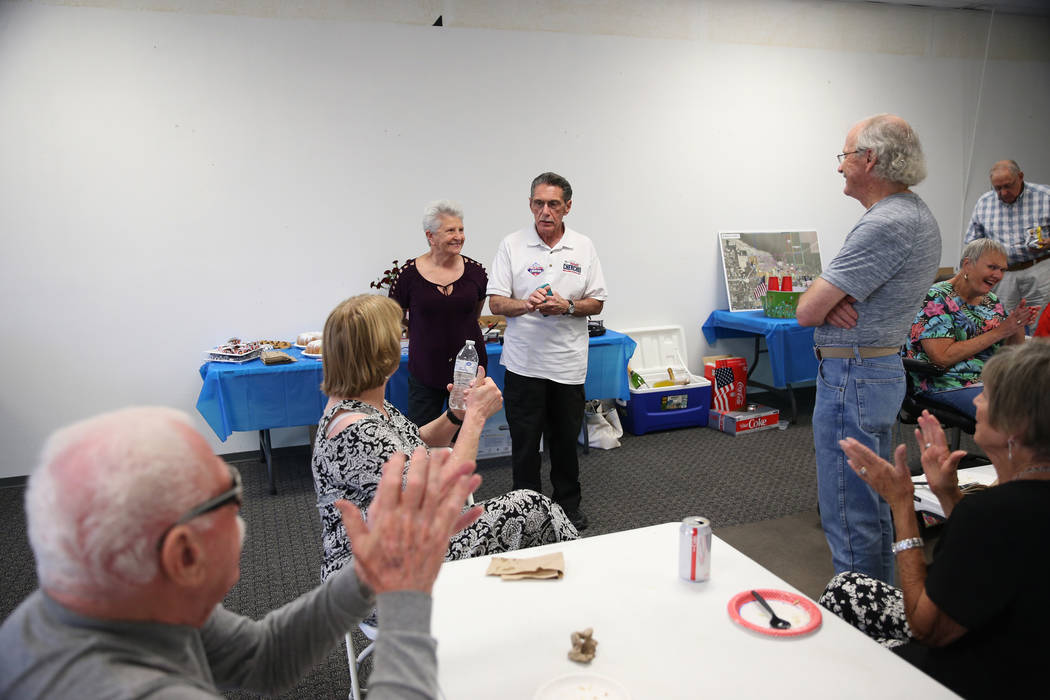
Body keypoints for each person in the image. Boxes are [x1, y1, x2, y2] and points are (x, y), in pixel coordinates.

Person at [0, 406, 479, 699]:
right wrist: (408, 598)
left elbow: (263, 658)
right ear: (183, 555)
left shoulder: (117, 601)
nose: (243, 514)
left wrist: (371, 574)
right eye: (232, 494)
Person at [819, 341, 1050, 699]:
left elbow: (927, 627)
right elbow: (996, 549)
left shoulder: (992, 511)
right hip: (1017, 640)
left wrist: (901, 506)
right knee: (846, 588)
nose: (975, 401)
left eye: (985, 396)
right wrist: (946, 493)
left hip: (981, 672)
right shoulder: (1010, 503)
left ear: (1014, 428)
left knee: (839, 654)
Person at [312, 294, 577, 588]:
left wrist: (455, 415)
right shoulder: (356, 430)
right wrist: (475, 417)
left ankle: (553, 596)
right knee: (533, 510)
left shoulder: (360, 403)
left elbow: (414, 442)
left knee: (534, 511)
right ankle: (577, 593)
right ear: (382, 356)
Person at [797, 114, 941, 584]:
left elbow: (806, 309)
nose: (840, 167)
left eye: (845, 156)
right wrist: (828, 301)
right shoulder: (910, 214)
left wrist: (826, 300)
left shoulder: (887, 222)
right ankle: (883, 607)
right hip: (871, 372)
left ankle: (864, 627)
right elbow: (822, 305)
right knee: (872, 502)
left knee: (848, 507)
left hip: (853, 379)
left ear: (869, 158)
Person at [487, 172, 608, 532]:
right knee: (524, 443)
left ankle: (568, 507)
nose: (545, 211)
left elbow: (597, 302)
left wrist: (567, 306)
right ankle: (526, 512)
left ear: (567, 207)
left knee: (564, 442)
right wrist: (526, 305)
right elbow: (495, 302)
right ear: (530, 205)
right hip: (524, 365)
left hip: (568, 365)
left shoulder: (584, 246)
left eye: (553, 204)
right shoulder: (512, 245)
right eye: (538, 203)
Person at [906, 238, 1037, 418]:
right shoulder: (936, 297)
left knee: (1041, 404)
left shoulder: (992, 300)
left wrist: (1017, 325)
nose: (998, 275)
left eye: (1002, 270)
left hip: (991, 380)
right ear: (967, 264)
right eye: (992, 267)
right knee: (1016, 417)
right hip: (947, 383)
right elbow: (941, 358)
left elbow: (1010, 355)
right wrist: (1000, 331)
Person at [389, 200, 489, 426]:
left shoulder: (476, 272)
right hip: (426, 369)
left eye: (461, 229)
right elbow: (393, 315)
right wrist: (419, 328)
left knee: (465, 434)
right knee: (422, 437)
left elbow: (475, 313)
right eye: (450, 230)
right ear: (430, 236)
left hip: (468, 371)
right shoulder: (408, 275)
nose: (459, 236)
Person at [964, 159, 1050, 317]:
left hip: (1041, 269)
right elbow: (972, 242)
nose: (1003, 193)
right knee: (1001, 323)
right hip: (1002, 275)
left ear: (1020, 176)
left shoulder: (1045, 196)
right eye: (997, 188)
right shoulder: (984, 203)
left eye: (1008, 186)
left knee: (1041, 323)